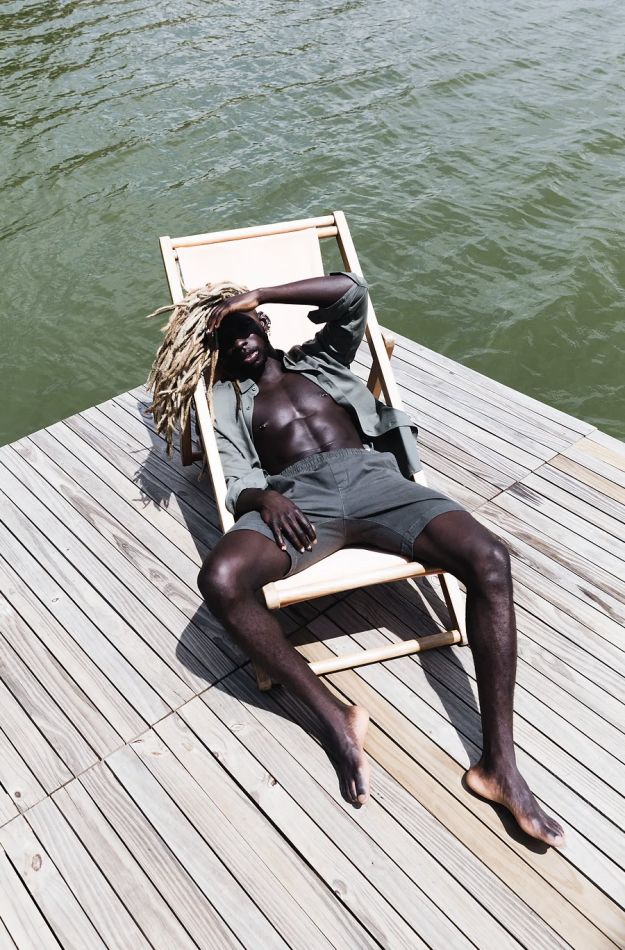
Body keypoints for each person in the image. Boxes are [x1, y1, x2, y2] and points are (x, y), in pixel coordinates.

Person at [151, 271, 565, 847]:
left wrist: (261, 293)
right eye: (227, 338)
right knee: (221, 579)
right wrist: (262, 499)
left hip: (375, 479)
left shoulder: (320, 358)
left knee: (490, 558)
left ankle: (500, 765)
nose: (240, 342)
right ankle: (333, 717)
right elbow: (234, 474)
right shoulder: (225, 398)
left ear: (263, 324)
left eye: (245, 327)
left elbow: (350, 293)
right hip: (298, 501)